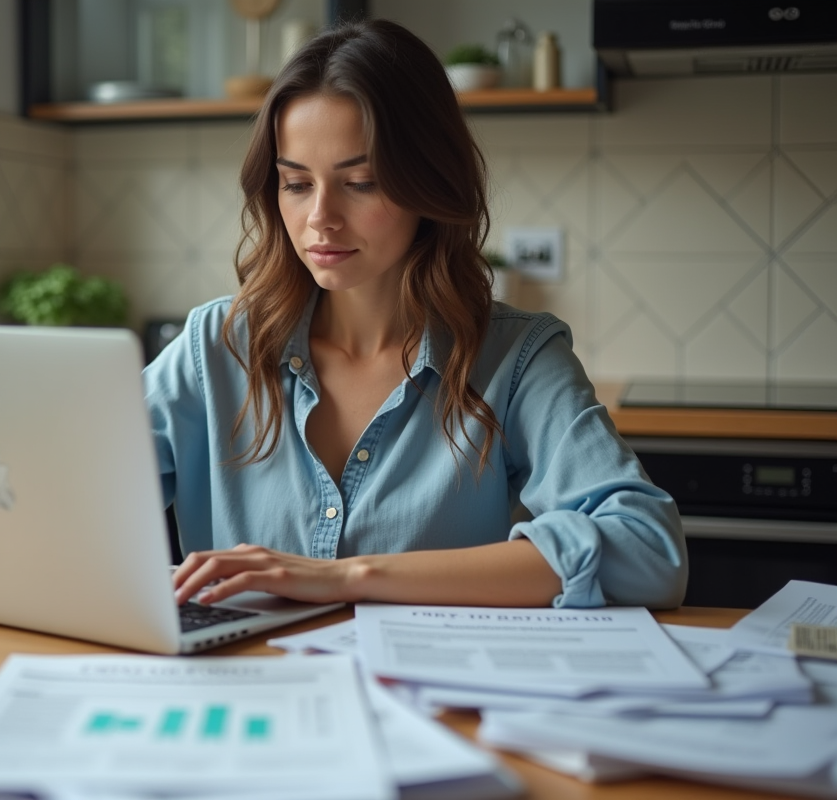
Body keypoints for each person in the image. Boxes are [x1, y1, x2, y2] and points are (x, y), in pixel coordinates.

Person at [144, 19, 686, 611]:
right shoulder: (215, 346)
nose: (320, 217)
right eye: (296, 184)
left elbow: (649, 551)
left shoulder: (516, 358)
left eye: (361, 182)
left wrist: (350, 578)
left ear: (428, 183)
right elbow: (68, 505)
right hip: (246, 692)